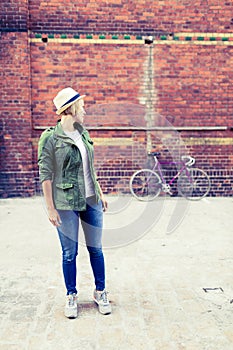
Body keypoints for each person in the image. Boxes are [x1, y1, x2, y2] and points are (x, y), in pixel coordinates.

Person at [38, 87, 111, 318]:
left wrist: (100, 192)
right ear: (72, 108)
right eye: (82, 106)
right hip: (65, 202)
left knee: (96, 250)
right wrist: (50, 208)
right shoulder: (50, 137)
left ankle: (100, 292)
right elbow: (45, 173)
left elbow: (90, 167)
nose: (85, 110)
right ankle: (71, 294)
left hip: (91, 201)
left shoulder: (83, 132)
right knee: (70, 253)